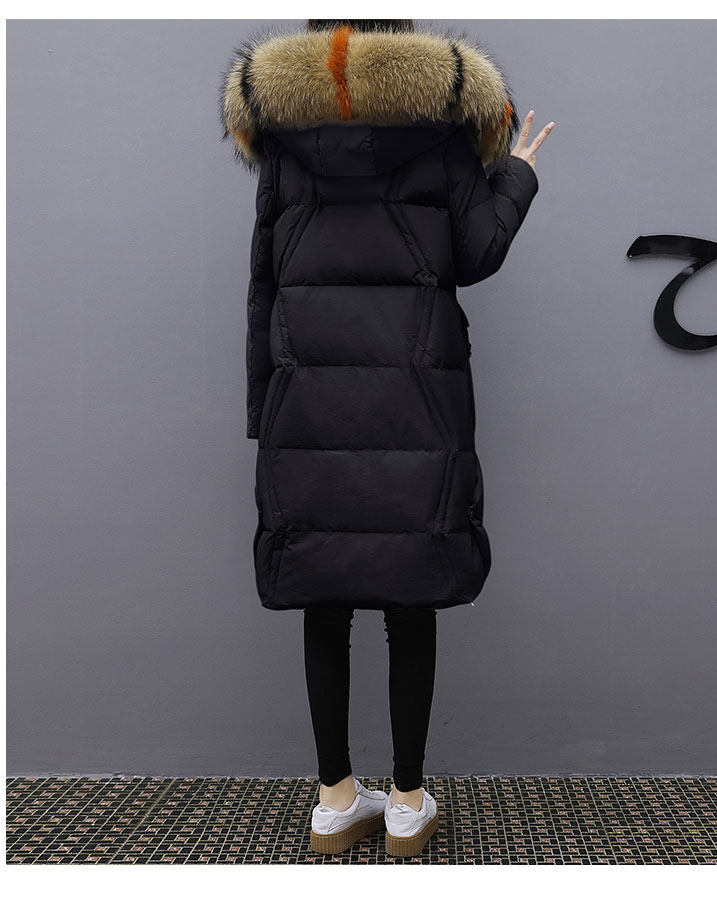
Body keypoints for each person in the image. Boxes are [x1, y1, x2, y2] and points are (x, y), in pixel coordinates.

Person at [219, 18, 554, 858]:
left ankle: (335, 800)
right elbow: (474, 253)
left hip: (307, 404)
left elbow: (263, 285)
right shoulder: (441, 133)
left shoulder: (284, 143)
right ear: (403, 41)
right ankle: (406, 801)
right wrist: (517, 176)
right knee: (410, 596)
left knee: (324, 595)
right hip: (416, 400)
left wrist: (266, 413)